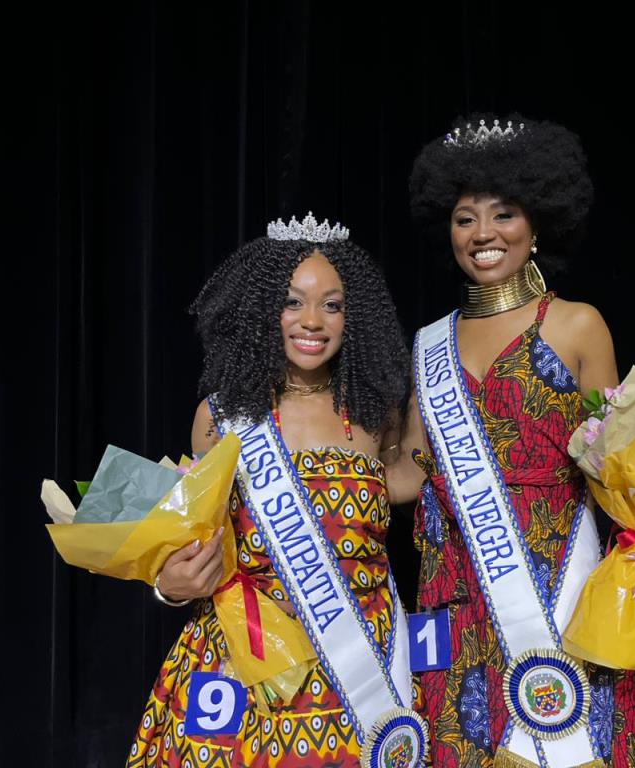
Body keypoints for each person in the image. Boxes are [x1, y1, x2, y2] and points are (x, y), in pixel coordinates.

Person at [386, 115, 635, 768]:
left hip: (557, 586)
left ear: (536, 225)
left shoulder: (576, 325)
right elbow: (406, 475)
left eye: (503, 214)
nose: (483, 233)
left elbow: (623, 462)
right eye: (465, 218)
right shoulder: (428, 344)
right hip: (455, 595)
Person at [128, 213, 425, 768]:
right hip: (248, 658)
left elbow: (410, 478)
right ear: (262, 308)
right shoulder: (221, 417)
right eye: (292, 302)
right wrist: (168, 587)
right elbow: (195, 544)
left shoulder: (374, 413)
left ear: (354, 316)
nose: (312, 320)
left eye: (332, 305)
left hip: (358, 662)